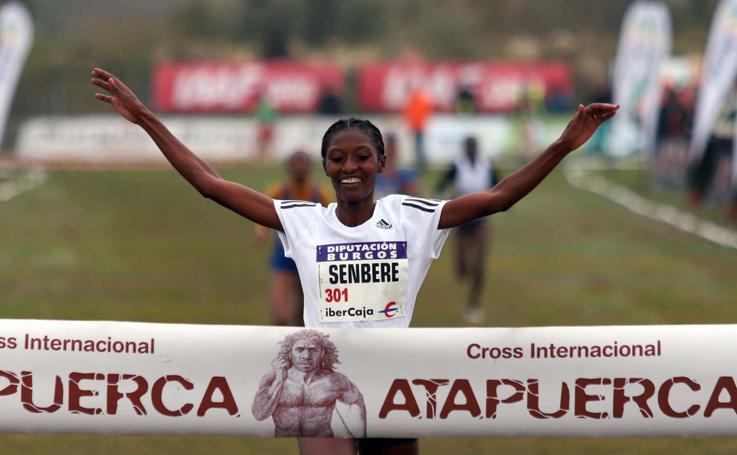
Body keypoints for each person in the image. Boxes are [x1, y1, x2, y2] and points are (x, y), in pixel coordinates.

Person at [91, 67, 618, 455]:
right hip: (317, 383)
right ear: (324, 166)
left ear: (382, 163)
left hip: (393, 379)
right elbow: (210, 185)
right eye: (338, 158)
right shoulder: (303, 220)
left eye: (362, 157)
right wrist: (144, 118)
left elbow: (499, 197)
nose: (350, 167)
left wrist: (563, 145)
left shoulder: (411, 216)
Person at [255, 151, 330, 326]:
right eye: (296, 163)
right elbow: (262, 210)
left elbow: (330, 220)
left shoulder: (320, 193)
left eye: (303, 163)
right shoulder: (279, 190)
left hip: (309, 255)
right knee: (281, 315)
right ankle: (278, 348)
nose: (299, 167)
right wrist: (261, 233)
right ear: (289, 168)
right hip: (282, 254)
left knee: (304, 314)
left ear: (310, 167)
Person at [252, 330, 366, 437]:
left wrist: (361, 436)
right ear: (290, 353)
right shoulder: (271, 378)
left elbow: (356, 400)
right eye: (299, 349)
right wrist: (279, 380)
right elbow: (259, 415)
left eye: (313, 350)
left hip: (322, 445)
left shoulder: (335, 380)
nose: (306, 356)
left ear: (322, 353)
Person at [435, 136, 499, 324]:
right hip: (461, 216)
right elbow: (441, 186)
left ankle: (474, 305)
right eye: (469, 147)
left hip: (481, 217)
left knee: (480, 264)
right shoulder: (457, 165)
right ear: (465, 149)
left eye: (474, 147)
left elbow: (499, 185)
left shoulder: (486, 165)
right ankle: (465, 269)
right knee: (461, 269)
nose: (472, 150)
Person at [374, 133, 419, 199]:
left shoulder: (404, 174)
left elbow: (416, 196)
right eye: (388, 148)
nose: (390, 151)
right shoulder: (374, 175)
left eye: (393, 148)